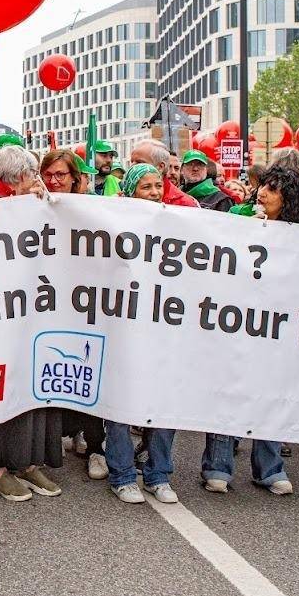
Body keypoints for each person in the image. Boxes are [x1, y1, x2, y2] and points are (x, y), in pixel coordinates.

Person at [202, 166, 299, 497]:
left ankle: (270, 467)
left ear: (288, 199)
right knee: (230, 387)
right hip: (238, 318)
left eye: (273, 189)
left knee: (271, 393)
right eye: (263, 186)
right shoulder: (237, 215)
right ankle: (217, 465)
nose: (262, 193)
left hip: (277, 323)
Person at [0, 146, 65, 503]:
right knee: (8, 388)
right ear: (16, 179)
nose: (37, 181)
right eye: (31, 175)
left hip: (37, 312)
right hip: (3, 316)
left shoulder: (37, 206)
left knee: (36, 388)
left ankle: (28, 463)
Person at [102, 163, 180, 503]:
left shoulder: (176, 224)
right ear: (131, 191)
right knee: (121, 401)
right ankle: (121, 474)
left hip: (163, 326)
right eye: (145, 186)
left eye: (157, 186)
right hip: (122, 326)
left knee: (164, 400)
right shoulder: (113, 222)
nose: (153, 192)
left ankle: (158, 474)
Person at [40, 148, 109, 482]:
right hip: (47, 306)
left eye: (61, 175)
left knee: (89, 372)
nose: (54, 181)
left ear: (75, 178)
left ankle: (96, 446)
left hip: (85, 306)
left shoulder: (94, 210)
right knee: (54, 370)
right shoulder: (33, 208)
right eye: (49, 174)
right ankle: (63, 435)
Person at [129, 140, 197, 207]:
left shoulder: (183, 204)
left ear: (160, 167)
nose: (132, 167)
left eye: (140, 162)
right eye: (132, 162)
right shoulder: (123, 196)